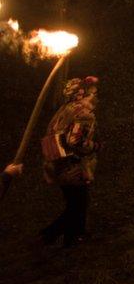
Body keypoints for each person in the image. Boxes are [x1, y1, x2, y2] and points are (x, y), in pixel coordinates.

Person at [40, 76, 100, 248]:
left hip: (56, 164)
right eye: (92, 93)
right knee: (77, 204)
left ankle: (73, 236)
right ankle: (50, 234)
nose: (94, 96)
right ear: (81, 95)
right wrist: (94, 146)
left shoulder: (63, 110)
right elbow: (75, 140)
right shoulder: (83, 113)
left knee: (76, 202)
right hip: (72, 164)